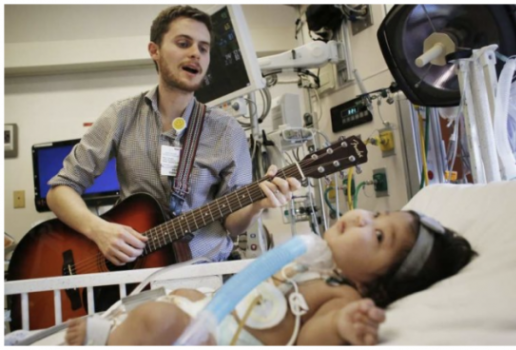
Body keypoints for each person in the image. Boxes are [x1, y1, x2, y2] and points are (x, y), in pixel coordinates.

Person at [46, 5, 301, 265]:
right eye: (183, 43)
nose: (195, 54)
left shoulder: (227, 130)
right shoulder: (121, 115)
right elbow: (59, 191)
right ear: (154, 51)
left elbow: (232, 225)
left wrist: (258, 203)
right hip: (135, 273)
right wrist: (98, 229)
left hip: (204, 274)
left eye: (204, 48)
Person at [64, 209, 476, 346]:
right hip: (215, 316)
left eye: (380, 234)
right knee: (178, 292)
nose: (365, 218)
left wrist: (341, 326)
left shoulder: (345, 297)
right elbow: (247, 290)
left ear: (380, 283)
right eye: (378, 214)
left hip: (225, 341)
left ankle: (110, 341)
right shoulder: (313, 265)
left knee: (158, 318)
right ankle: (123, 333)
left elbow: (310, 338)